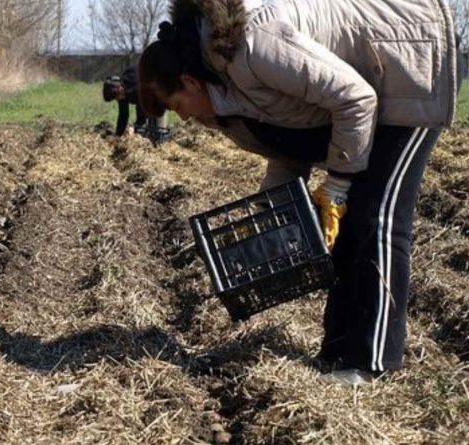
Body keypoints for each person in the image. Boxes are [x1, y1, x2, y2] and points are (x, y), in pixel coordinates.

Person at [138, 0, 457, 385]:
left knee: (376, 215)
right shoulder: (227, 100)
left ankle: (371, 362)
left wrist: (337, 186)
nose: (185, 118)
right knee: (343, 225)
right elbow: (289, 146)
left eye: (178, 106)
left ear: (189, 82)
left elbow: (356, 99)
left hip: (411, 64)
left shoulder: (255, 45)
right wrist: (268, 220)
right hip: (364, 91)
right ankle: (338, 351)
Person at [103, 66, 170, 144]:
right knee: (141, 127)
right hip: (143, 99)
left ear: (119, 83)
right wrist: (117, 135)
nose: (119, 96)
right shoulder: (123, 95)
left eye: (118, 90)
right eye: (116, 96)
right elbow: (123, 116)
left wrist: (140, 122)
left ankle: (160, 143)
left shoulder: (132, 79)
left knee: (156, 125)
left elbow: (143, 99)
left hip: (157, 93)